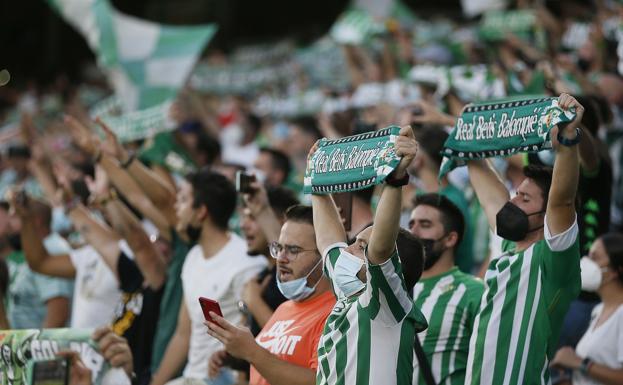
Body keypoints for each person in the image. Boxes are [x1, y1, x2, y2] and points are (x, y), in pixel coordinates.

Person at [464, 94, 584, 385]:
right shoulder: (508, 249)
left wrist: (568, 139)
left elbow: (562, 202)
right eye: (516, 193)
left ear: (545, 215)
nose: (513, 200)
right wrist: (468, 136)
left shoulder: (552, 258)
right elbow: (492, 199)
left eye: (525, 198)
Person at [312, 125, 427, 385]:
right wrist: (316, 178)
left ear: (392, 273)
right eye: (355, 241)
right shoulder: (349, 293)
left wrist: (396, 180)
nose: (350, 248)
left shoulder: (385, 301)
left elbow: (381, 248)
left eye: (361, 246)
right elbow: (328, 239)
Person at [150, 170, 266, 385]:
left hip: (221, 379)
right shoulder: (193, 256)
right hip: (190, 377)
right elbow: (183, 335)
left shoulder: (245, 262)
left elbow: (254, 336)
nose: (176, 207)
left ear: (201, 211)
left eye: (183, 199)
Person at [206, 205, 336, 385]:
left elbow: (320, 381)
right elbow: (273, 363)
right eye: (279, 248)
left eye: (293, 250)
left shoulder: (336, 314)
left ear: (324, 256)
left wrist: (252, 352)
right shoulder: (284, 308)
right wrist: (237, 357)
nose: (281, 258)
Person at [408, 193, 484, 384]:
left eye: (425, 225)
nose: (413, 233)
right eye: (411, 225)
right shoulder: (395, 289)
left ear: (450, 239)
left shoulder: (473, 291)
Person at [550, 233, 623, 385]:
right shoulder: (599, 310)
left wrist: (580, 363)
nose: (586, 261)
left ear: (615, 271)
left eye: (594, 257)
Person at [4, 196, 74, 329]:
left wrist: (39, 347)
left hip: (43, 346)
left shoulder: (51, 249)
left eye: (15, 217)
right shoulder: (37, 249)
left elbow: (58, 313)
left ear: (36, 221)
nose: (9, 224)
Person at [239, 184, 299, 336]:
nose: (243, 225)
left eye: (252, 217)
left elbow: (285, 339)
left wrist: (254, 302)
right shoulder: (261, 278)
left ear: (282, 222)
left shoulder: (298, 279)